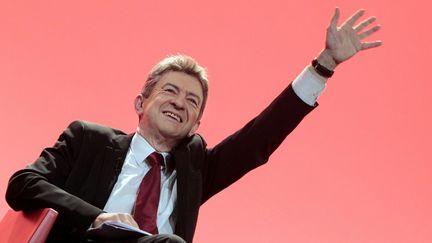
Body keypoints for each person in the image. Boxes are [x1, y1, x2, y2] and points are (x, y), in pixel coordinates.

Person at [5, 8, 381, 243]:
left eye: (192, 101)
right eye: (170, 91)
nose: (179, 103)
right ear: (141, 102)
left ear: (196, 124)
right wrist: (98, 218)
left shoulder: (194, 172)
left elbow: (259, 139)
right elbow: (23, 184)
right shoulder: (88, 139)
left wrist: (324, 65)